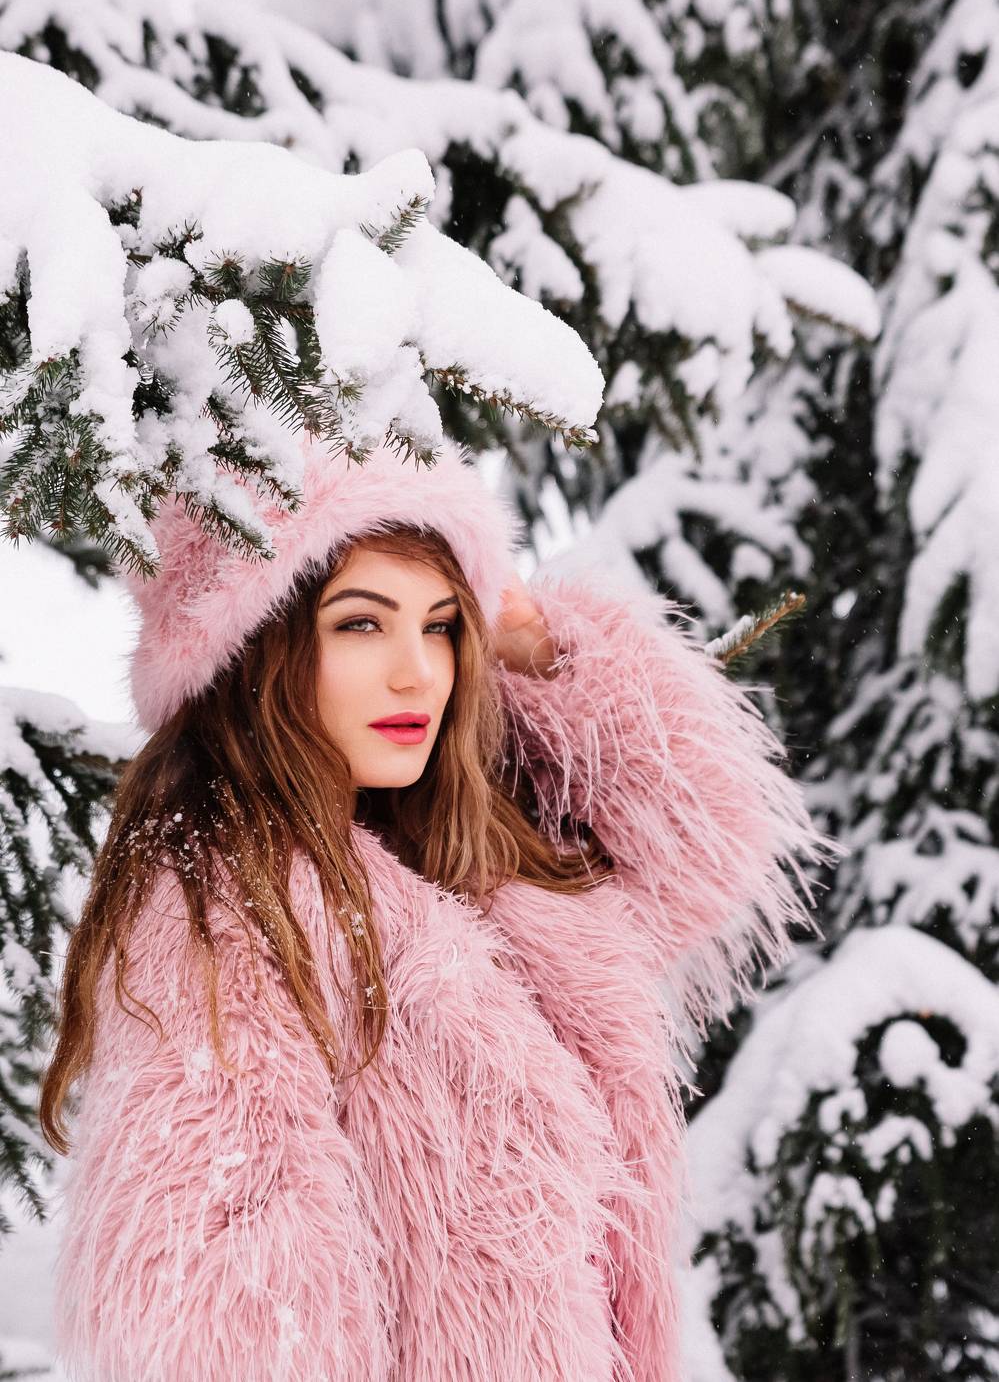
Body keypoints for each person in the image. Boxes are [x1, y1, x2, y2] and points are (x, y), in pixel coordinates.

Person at [40, 436, 843, 1382]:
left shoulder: (452, 860)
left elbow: (701, 840)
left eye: (440, 625)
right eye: (360, 624)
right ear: (252, 647)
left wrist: (539, 646)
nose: (419, 672)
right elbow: (240, 1325)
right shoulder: (227, 912)